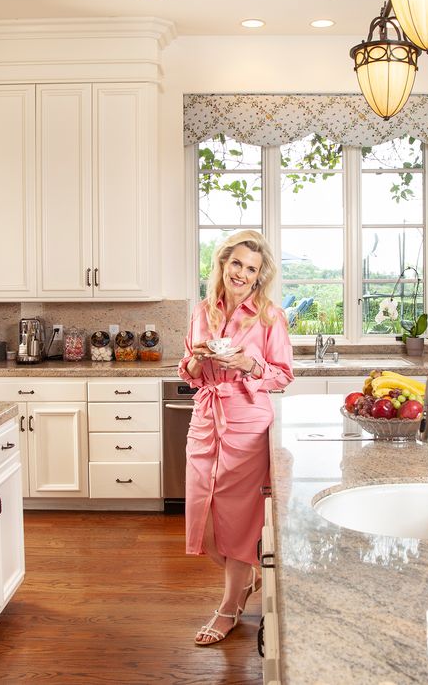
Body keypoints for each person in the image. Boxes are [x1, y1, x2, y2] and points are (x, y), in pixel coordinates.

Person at [178, 230, 293, 646]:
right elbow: (187, 370)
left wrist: (249, 363)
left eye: (252, 269)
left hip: (247, 425)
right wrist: (196, 358)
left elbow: (283, 375)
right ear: (223, 264)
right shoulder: (202, 311)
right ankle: (243, 584)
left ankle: (228, 607)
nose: (242, 273)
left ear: (259, 277)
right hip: (206, 419)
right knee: (205, 517)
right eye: (237, 264)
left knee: (239, 522)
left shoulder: (269, 317)